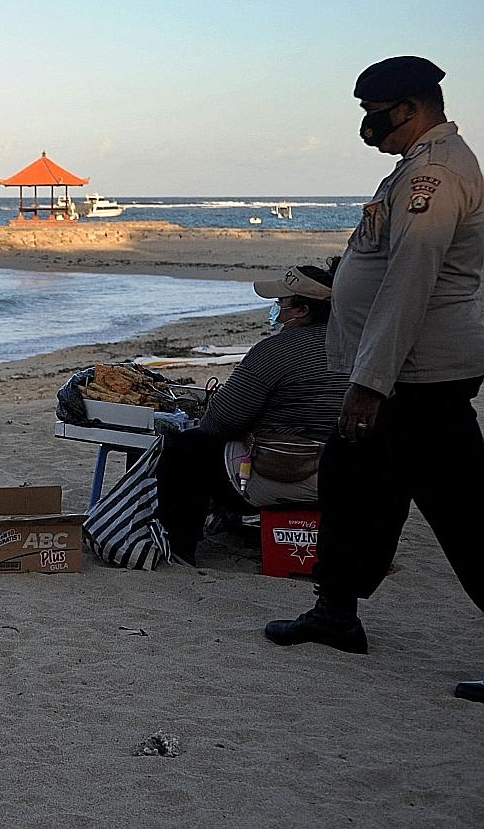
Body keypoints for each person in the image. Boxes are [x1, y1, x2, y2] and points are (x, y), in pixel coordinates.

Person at [264, 57, 484, 706]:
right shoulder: (415, 165)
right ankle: (336, 613)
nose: (367, 128)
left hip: (417, 382)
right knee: (355, 483)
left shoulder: (435, 175)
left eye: (374, 115)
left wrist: (371, 382)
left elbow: (408, 283)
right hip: (395, 378)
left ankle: (336, 610)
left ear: (411, 108)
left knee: (469, 516)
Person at [154, 261, 348, 564]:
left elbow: (220, 421)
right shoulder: (359, 346)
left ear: (301, 311)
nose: (276, 309)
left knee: (186, 449)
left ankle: (179, 548)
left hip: (286, 469)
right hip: (345, 474)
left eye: (280, 302)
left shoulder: (275, 350)